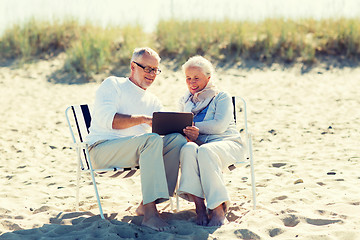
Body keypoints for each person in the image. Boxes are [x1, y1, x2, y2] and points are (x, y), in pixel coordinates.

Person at [85, 47, 187, 231]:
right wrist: (142, 119)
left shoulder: (153, 100)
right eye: (147, 68)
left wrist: (185, 131)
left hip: (136, 152)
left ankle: (146, 203)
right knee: (150, 140)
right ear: (133, 66)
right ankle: (150, 214)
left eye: (155, 69)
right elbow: (111, 121)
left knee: (176, 141)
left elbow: (164, 131)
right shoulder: (113, 85)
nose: (151, 74)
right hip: (101, 150)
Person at [177, 56, 245, 226]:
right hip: (201, 147)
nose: (192, 82)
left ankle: (217, 209)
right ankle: (199, 207)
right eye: (188, 78)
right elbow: (183, 127)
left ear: (208, 77)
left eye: (196, 78)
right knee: (188, 149)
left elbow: (219, 127)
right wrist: (186, 132)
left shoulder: (222, 97)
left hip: (228, 144)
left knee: (205, 151)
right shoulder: (184, 101)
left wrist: (195, 128)